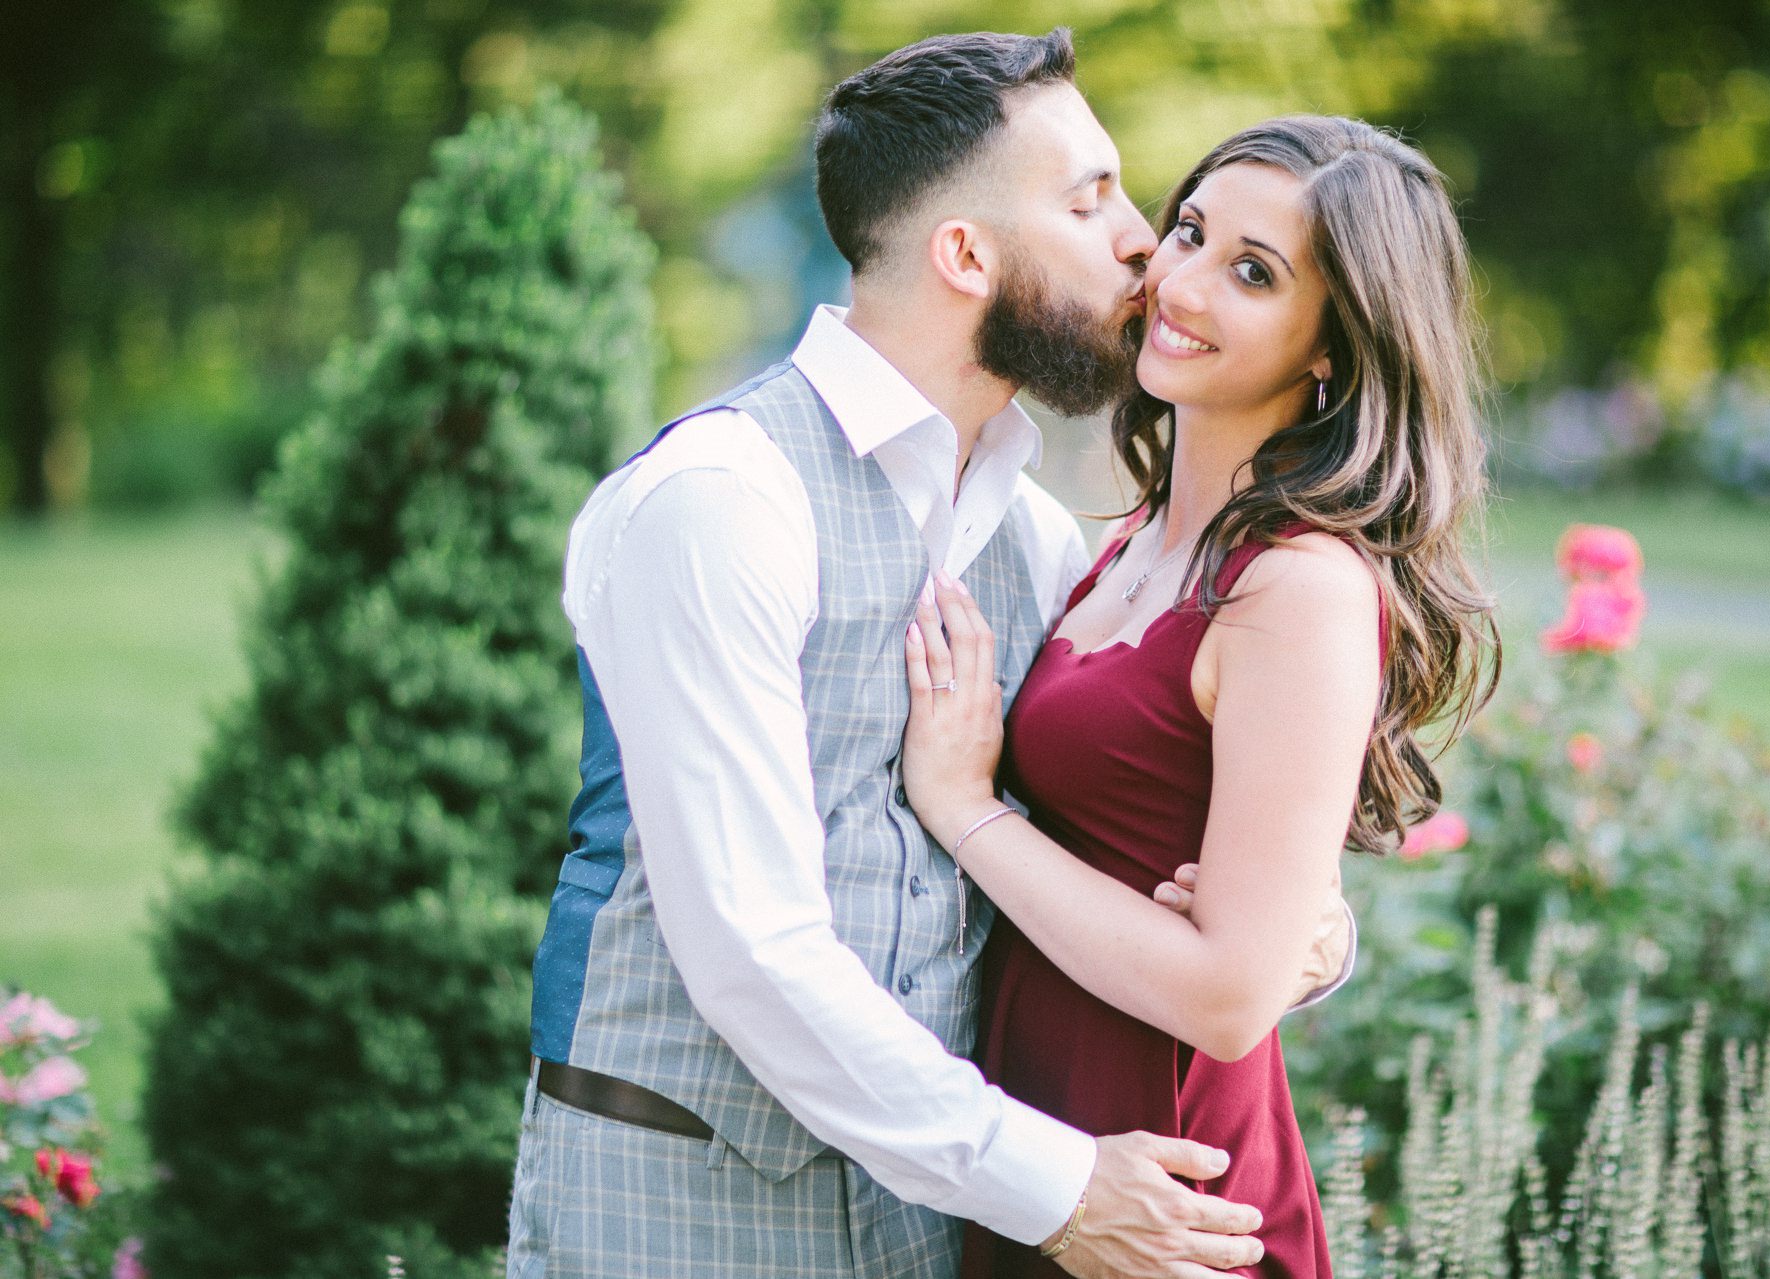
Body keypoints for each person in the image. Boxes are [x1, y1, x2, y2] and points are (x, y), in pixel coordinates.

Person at [506, 31, 1354, 1279]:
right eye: (1090, 198)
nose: (1141, 242)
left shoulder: (1041, 543)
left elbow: (1153, 828)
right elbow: (751, 944)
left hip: (930, 1224)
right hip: (674, 1203)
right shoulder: (722, 500)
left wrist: (1306, 934)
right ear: (965, 253)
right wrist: (1057, 1185)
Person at [900, 115, 1502, 1277]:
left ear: (1333, 345)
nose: (1178, 281)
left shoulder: (1298, 585)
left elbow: (1230, 1001)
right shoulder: (1130, 543)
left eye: (1253, 273)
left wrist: (966, 809)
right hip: (1049, 1150)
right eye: (1188, 232)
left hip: (1173, 1187)